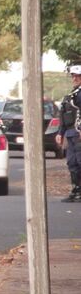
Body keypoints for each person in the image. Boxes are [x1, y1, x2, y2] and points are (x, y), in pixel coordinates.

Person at [56, 64, 81, 203]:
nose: (75, 78)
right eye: (73, 76)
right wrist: (60, 132)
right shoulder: (71, 95)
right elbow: (64, 115)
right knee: (72, 163)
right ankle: (76, 190)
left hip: (79, 133)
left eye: (78, 76)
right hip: (71, 133)